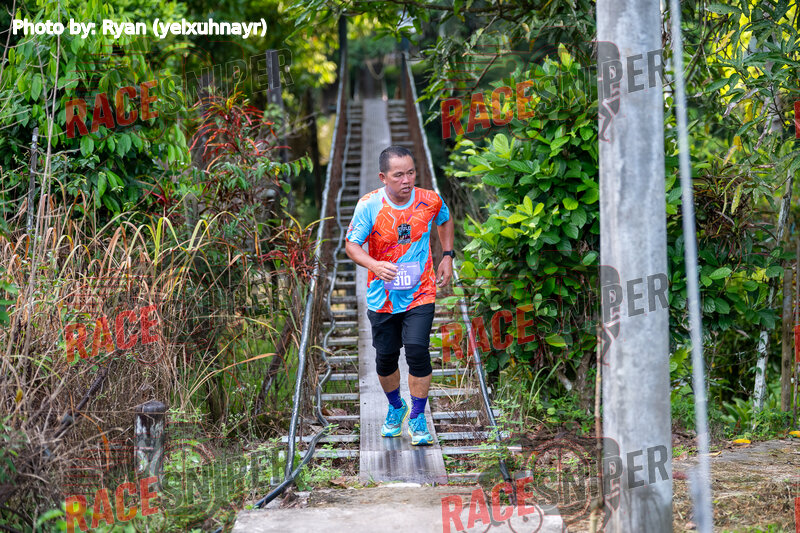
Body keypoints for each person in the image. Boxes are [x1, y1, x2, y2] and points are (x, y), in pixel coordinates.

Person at [344, 145, 454, 446]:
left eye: (411, 173)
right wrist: (374, 264)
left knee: (417, 350)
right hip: (383, 296)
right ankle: (396, 407)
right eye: (398, 175)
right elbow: (351, 245)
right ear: (383, 177)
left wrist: (447, 255)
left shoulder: (429, 200)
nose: (406, 180)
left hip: (421, 292)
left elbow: (445, 219)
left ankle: (417, 416)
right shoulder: (369, 206)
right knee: (385, 359)